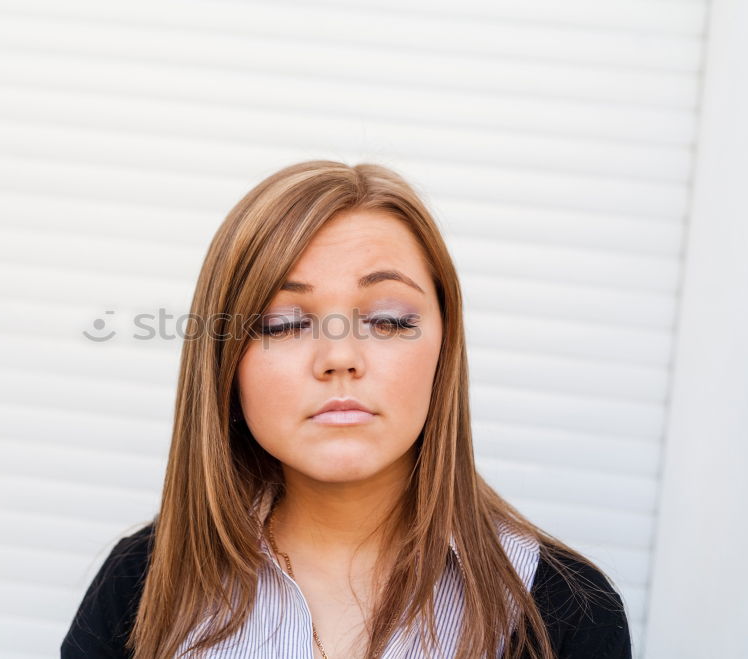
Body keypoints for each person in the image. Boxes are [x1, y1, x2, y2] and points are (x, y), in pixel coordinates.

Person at [61, 161, 631, 658]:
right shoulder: (138, 584)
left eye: (388, 320)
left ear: (443, 348)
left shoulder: (566, 611)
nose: (340, 358)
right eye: (283, 324)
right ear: (224, 366)